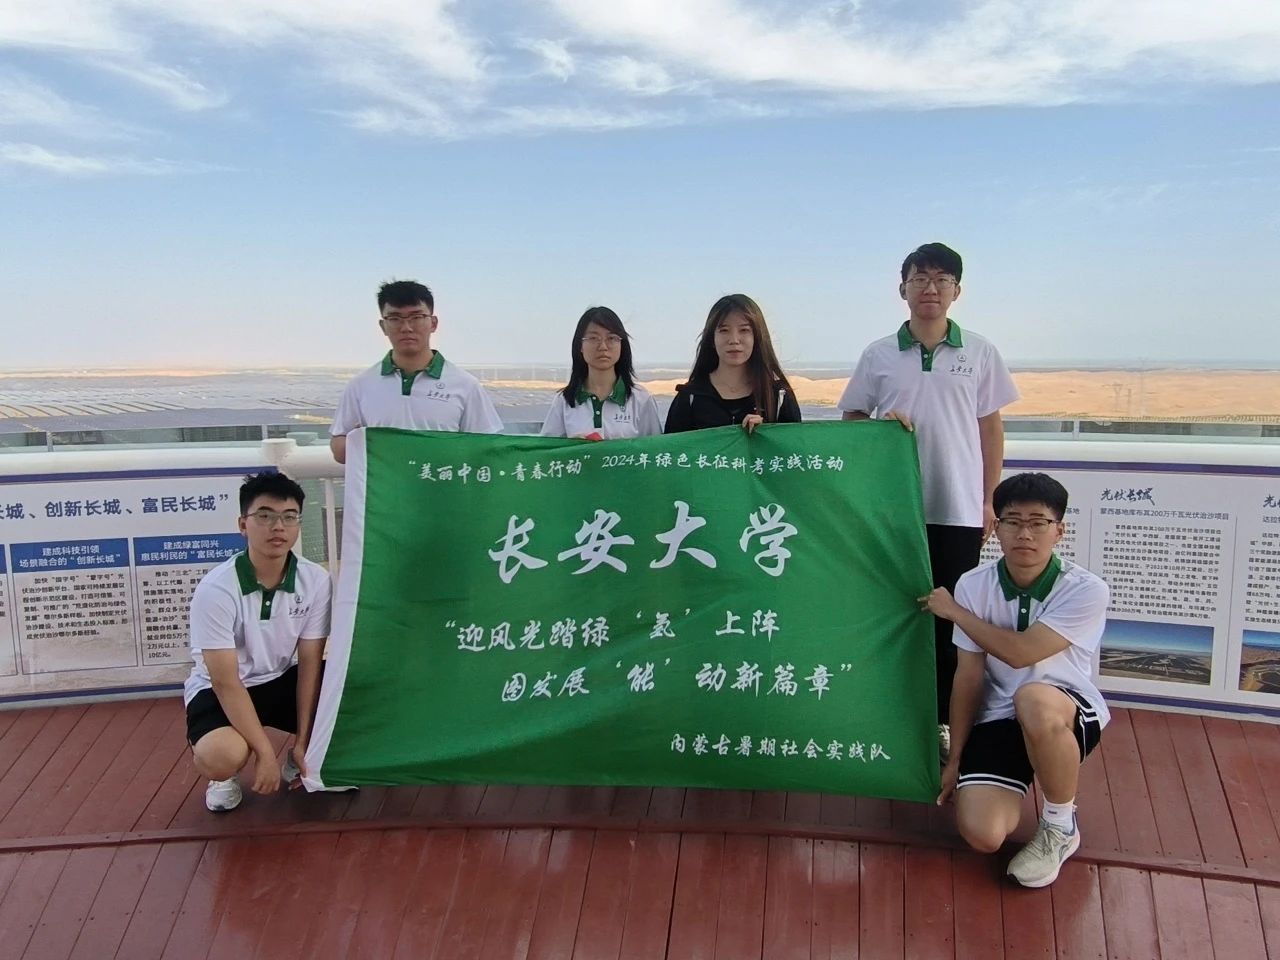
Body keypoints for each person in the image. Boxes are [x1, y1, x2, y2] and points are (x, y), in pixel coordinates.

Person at [839, 243, 1018, 742]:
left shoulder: (980, 352)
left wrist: (989, 500)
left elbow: (990, 428)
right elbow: (852, 418)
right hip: (893, 510)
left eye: (942, 279)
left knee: (950, 616)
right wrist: (881, 427)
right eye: (920, 278)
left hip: (958, 508)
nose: (930, 288)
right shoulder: (878, 354)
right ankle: (887, 710)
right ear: (903, 289)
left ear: (957, 291)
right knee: (893, 609)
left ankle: (942, 720)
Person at [923, 472, 1109, 888]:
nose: (1024, 533)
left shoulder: (1086, 590)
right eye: (1013, 521)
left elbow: (1021, 652)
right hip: (999, 716)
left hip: (1064, 710)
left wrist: (954, 613)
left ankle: (1059, 826)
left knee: (1033, 700)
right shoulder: (974, 584)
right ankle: (1018, 775)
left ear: (1059, 531)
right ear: (997, 527)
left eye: (1038, 522)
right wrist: (956, 759)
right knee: (983, 835)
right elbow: (969, 675)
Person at [184, 471, 332, 812]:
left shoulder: (316, 581)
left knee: (352, 700)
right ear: (243, 525)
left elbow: (310, 662)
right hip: (222, 689)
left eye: (289, 517)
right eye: (264, 516)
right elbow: (225, 682)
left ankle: (302, 762)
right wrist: (265, 753)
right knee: (221, 755)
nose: (278, 527)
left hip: (280, 678)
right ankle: (224, 778)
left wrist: (304, 742)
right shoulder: (216, 589)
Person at [330, 280, 503, 463]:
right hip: (384, 483)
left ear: (433, 323)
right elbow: (339, 445)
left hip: (440, 481)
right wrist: (362, 442)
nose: (406, 327)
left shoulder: (465, 385)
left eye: (416, 317)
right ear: (383, 326)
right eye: (395, 318)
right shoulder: (361, 385)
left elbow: (486, 449)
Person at [663, 293, 801, 433]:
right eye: (724, 330)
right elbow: (672, 446)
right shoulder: (690, 398)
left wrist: (766, 433)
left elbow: (795, 444)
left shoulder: (779, 396)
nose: (734, 340)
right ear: (712, 338)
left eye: (744, 330)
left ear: (757, 337)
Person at [540, 306, 662, 439]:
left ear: (622, 345)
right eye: (593, 338)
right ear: (580, 346)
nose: (603, 347)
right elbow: (548, 448)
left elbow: (655, 448)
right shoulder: (564, 401)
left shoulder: (641, 399)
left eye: (611, 338)